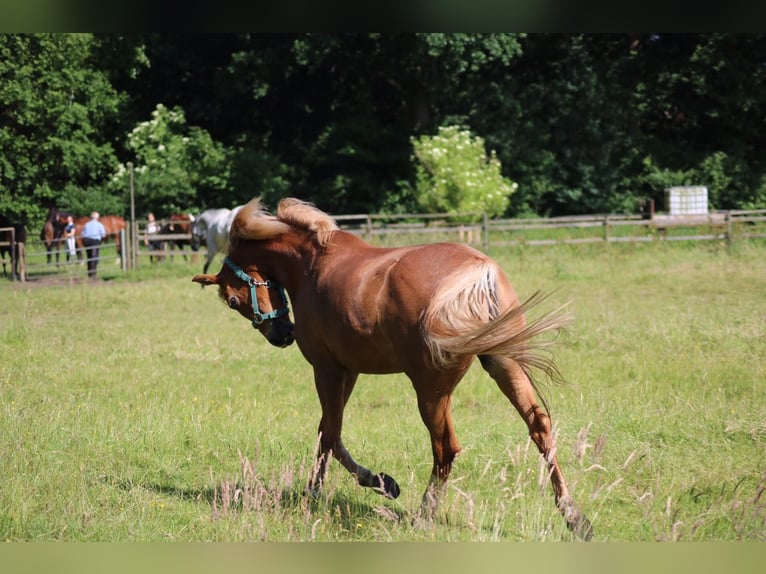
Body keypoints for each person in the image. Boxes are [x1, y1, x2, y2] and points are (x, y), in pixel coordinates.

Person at [81, 211, 107, 279]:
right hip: (94, 241)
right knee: (94, 257)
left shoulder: (87, 224)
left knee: (89, 256)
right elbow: (103, 235)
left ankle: (89, 273)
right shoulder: (99, 224)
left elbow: (82, 234)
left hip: (86, 240)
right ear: (97, 217)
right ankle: (93, 274)